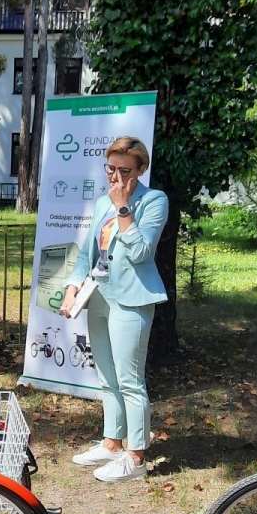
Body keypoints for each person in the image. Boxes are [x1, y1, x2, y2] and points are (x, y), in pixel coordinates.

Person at [59, 136, 168, 484]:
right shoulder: (102, 201)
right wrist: (72, 288)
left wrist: (124, 208)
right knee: (107, 379)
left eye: (124, 170)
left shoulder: (153, 201)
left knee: (130, 381)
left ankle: (135, 458)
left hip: (132, 301)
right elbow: (86, 255)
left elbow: (140, 253)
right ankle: (111, 443)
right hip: (99, 297)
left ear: (140, 170)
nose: (116, 177)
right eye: (110, 169)